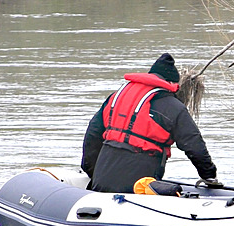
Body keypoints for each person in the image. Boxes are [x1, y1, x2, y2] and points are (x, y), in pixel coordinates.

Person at [81, 53, 218, 193]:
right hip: (139, 186)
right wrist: (209, 176)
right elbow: (194, 146)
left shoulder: (115, 98)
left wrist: (93, 173)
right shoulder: (173, 107)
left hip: (101, 180)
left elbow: (92, 138)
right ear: (173, 84)